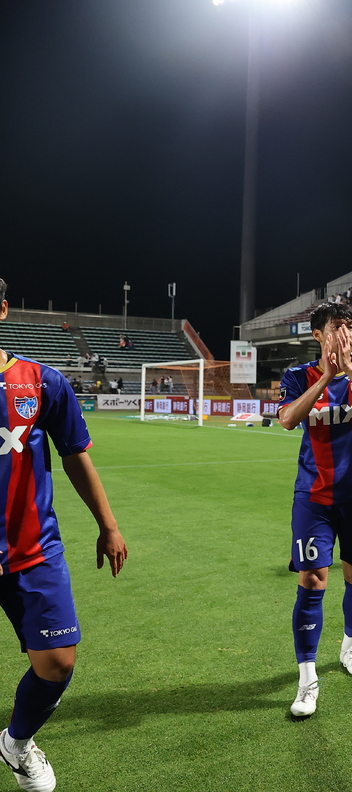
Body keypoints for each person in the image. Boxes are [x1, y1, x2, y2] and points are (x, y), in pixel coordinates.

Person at [0, 279, 128, 792]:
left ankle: (16, 743)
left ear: (2, 309)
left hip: (33, 551)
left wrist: (108, 524)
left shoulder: (41, 382)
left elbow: (75, 456)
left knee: (57, 663)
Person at [277, 302, 352, 717]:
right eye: (337, 327)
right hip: (314, 495)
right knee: (312, 579)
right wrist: (327, 375)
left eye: (350, 326)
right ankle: (307, 680)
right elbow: (288, 419)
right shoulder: (297, 376)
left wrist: (349, 372)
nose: (345, 333)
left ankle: (350, 646)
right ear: (318, 335)